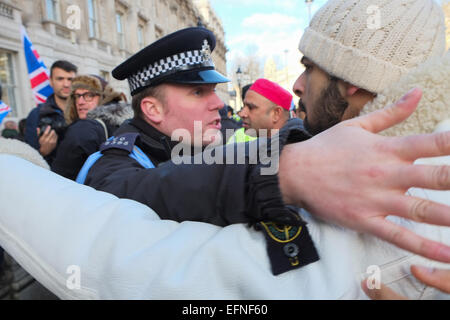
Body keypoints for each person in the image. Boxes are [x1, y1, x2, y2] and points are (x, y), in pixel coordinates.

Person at [78, 25, 450, 267]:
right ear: (152, 109)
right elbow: (130, 196)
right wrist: (282, 171)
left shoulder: (198, 146)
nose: (219, 104)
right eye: (198, 92)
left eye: (214, 91)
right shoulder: (112, 163)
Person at [289, 0, 449, 298]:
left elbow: (209, 274)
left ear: (352, 79)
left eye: (309, 67)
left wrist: (284, 176)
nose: (297, 85)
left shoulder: (399, 199)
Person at [51, 75, 130, 180]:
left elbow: (59, 178)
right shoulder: (124, 124)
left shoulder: (83, 129)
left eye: (89, 95)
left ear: (104, 97)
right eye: (77, 96)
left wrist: (47, 154)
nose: (80, 102)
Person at [24, 60, 77, 165]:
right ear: (51, 81)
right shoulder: (36, 115)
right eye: (60, 79)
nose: (66, 84)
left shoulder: (84, 111)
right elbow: (27, 158)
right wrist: (43, 152)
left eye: (70, 79)